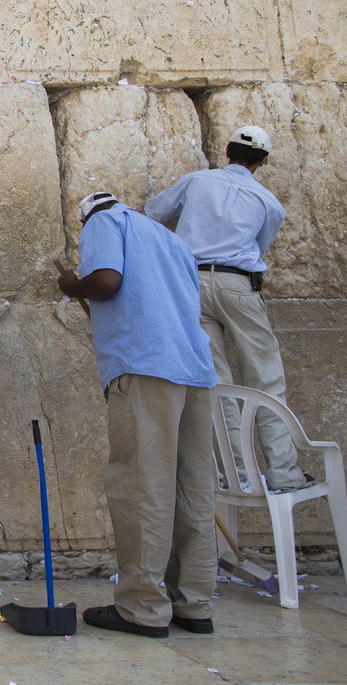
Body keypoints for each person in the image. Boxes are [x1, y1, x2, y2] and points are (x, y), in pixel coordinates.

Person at [57, 192, 217, 637]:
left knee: (143, 485)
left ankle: (143, 608)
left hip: (145, 367)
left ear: (86, 214)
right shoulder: (169, 238)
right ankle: (195, 603)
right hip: (195, 371)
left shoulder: (105, 223)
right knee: (193, 488)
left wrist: (73, 285)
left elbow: (106, 281)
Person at [145, 126, 311, 494]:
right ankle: (283, 472)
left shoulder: (196, 181)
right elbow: (259, 247)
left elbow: (154, 212)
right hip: (239, 285)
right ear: (262, 162)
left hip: (192, 284)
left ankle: (238, 473)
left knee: (217, 382)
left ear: (226, 151)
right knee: (265, 378)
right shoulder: (268, 202)